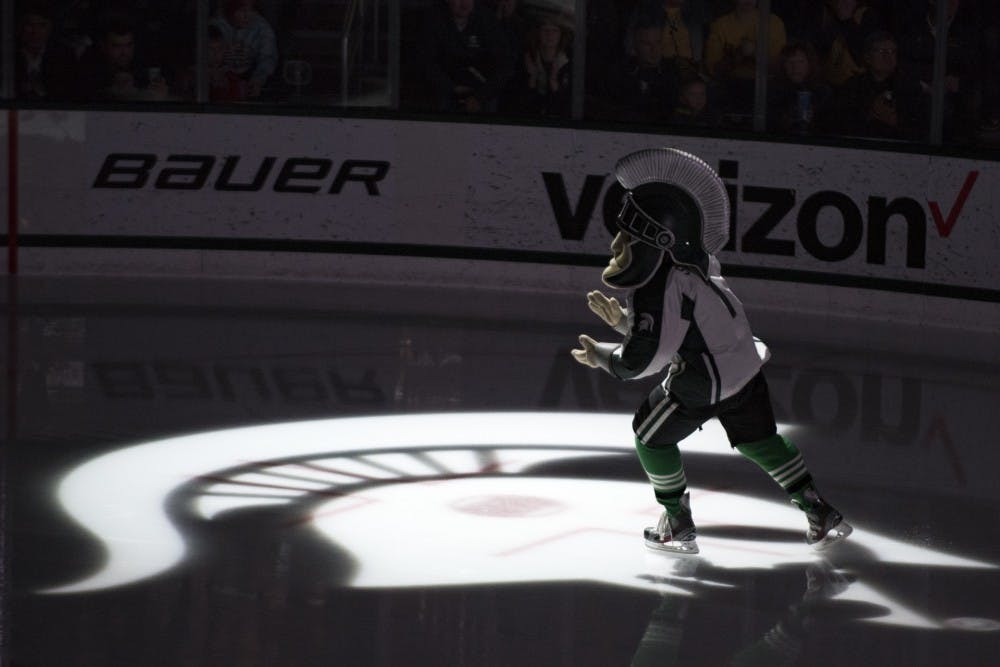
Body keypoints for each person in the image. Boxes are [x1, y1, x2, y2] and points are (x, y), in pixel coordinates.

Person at [570, 147, 851, 554]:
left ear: (657, 241)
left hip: (704, 380)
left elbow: (643, 361)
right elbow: (689, 328)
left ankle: (677, 523)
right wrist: (625, 324)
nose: (616, 245)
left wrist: (602, 354)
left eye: (628, 235)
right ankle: (817, 509)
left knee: (649, 437)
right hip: (745, 368)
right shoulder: (701, 265)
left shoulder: (658, 287)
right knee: (760, 440)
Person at [416, 0, 514, 112]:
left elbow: (504, 65)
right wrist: (450, 88)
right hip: (445, 89)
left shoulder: (486, 20)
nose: (464, 3)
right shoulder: (434, 19)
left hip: (483, 91)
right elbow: (426, 61)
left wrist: (480, 97)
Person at [704, 0, 787, 120]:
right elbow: (714, 70)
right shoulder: (720, 25)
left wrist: (755, 53)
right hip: (731, 86)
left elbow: (781, 68)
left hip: (767, 86)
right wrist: (737, 55)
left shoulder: (774, 23)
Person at [833, 30, 924, 139]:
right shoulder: (853, 86)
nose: (888, 56)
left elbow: (921, 129)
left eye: (892, 51)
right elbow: (839, 123)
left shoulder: (909, 87)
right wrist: (870, 114)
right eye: (881, 51)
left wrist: (897, 123)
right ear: (867, 57)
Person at [76, 15, 170, 101]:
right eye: (116, 46)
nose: (124, 52)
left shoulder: (143, 67)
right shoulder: (90, 69)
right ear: (103, 46)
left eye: (129, 45)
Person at [606, 23, 681, 123]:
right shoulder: (621, 74)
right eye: (646, 44)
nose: (654, 50)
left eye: (658, 42)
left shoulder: (673, 75)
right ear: (634, 46)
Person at [502, 12, 573, 117]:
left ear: (561, 35)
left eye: (554, 30)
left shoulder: (569, 63)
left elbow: (566, 106)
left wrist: (554, 81)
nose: (550, 35)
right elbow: (519, 103)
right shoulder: (527, 60)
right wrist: (532, 78)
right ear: (538, 33)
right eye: (545, 30)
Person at [210, 0, 278, 99]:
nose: (247, 15)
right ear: (230, 10)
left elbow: (268, 57)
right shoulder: (216, 24)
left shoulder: (262, 28)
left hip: (252, 81)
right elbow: (205, 54)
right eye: (241, 11)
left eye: (250, 10)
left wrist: (258, 79)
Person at [15, 2, 78, 101]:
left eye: (42, 25)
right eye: (30, 25)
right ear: (20, 27)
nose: (35, 32)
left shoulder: (63, 57)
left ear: (50, 28)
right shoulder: (9, 56)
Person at [768, 41, 833, 134]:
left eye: (800, 62)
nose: (795, 67)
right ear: (783, 65)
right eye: (790, 62)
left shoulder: (822, 92)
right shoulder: (773, 90)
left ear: (809, 64)